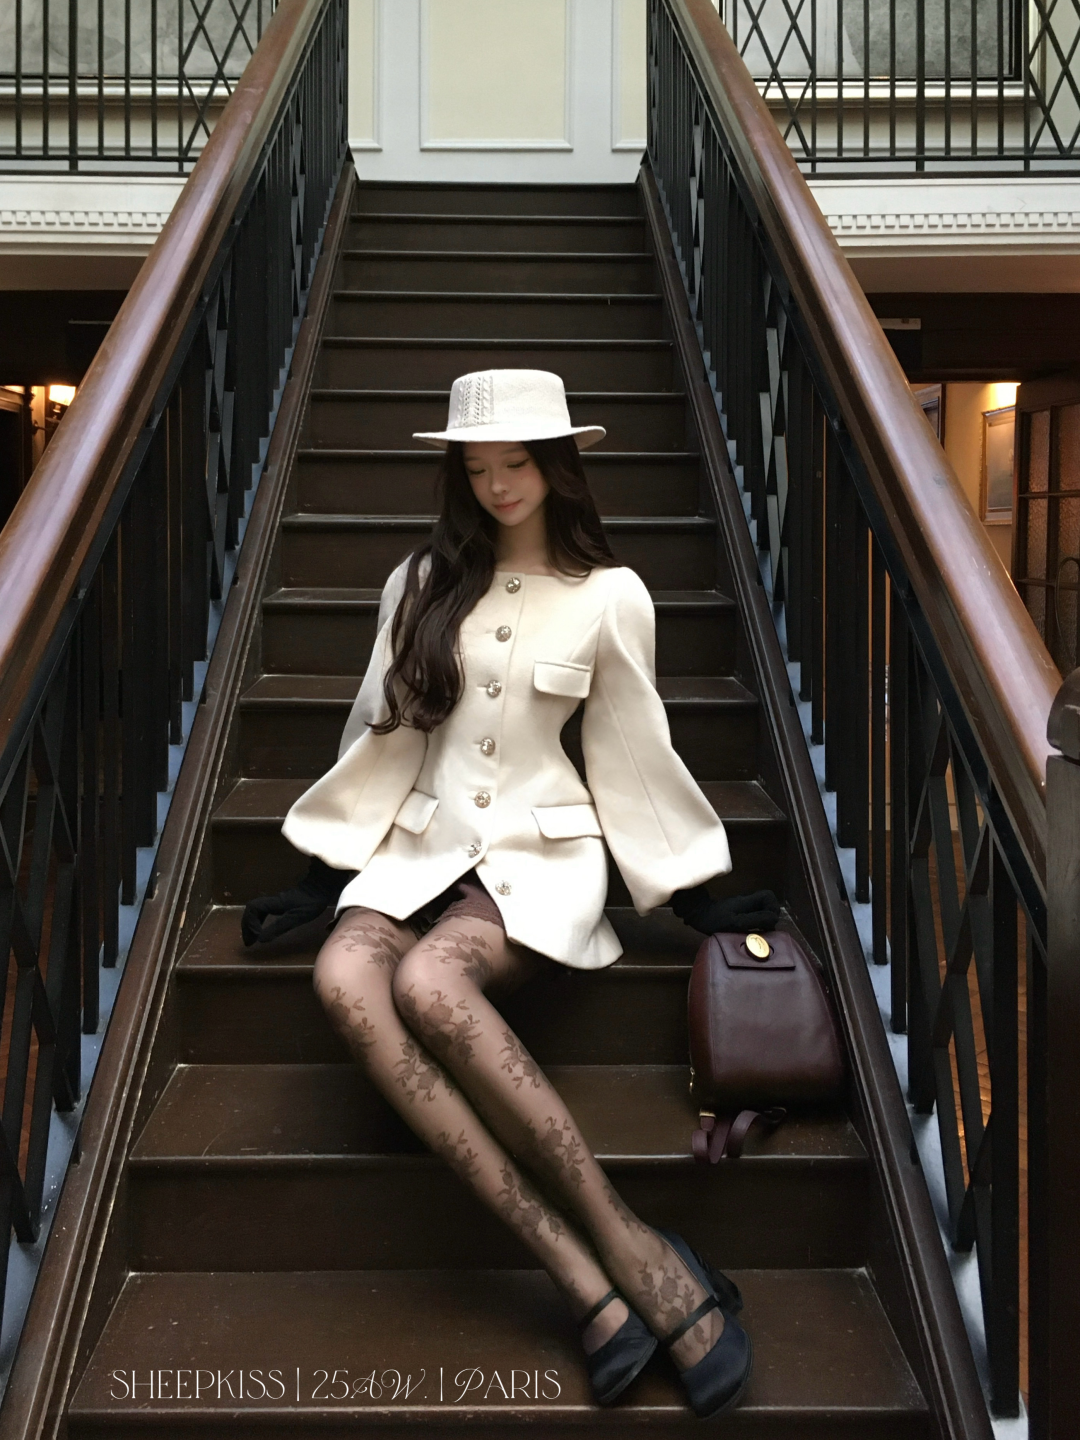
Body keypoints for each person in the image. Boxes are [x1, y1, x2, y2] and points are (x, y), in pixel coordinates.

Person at [241, 370, 777, 1418]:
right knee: (344, 976)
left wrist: (690, 891)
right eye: (477, 467)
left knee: (431, 987)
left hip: (540, 857)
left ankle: (633, 1245)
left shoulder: (611, 595)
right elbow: (383, 730)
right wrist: (324, 870)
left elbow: (632, 751)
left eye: (516, 463)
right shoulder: (420, 581)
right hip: (419, 848)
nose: (496, 485)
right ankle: (583, 1280)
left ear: (558, 465)